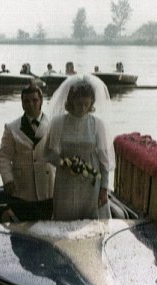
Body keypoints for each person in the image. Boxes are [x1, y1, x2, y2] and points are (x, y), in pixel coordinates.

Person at [44, 74, 115, 221]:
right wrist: (64, 163)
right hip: (65, 179)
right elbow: (49, 153)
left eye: (86, 104)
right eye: (79, 103)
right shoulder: (59, 123)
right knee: (65, 218)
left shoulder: (97, 125)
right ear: (71, 101)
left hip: (91, 180)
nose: (82, 108)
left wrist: (104, 188)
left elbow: (104, 160)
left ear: (91, 104)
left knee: (89, 220)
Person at [0, 84, 55, 221]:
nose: (31, 104)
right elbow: (4, 157)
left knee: (46, 230)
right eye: (27, 101)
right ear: (22, 104)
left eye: (35, 100)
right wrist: (8, 180)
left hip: (48, 188)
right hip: (22, 189)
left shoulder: (53, 125)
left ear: (41, 101)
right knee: (20, 233)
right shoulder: (11, 128)